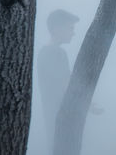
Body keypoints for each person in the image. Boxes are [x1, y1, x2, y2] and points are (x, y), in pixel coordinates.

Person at [37, 9, 79, 149]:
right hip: (62, 119)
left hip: (52, 118)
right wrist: (87, 104)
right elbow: (65, 85)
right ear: (57, 29)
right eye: (70, 28)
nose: (73, 33)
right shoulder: (56, 53)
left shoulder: (44, 52)